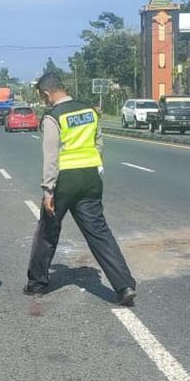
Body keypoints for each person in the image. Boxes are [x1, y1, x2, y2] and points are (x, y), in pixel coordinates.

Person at [25, 72, 136, 306]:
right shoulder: (88, 111)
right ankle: (124, 285)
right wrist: (95, 166)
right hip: (91, 176)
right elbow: (99, 142)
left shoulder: (53, 117)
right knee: (99, 231)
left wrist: (48, 190)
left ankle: (37, 283)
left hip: (64, 179)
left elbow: (51, 156)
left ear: (46, 93)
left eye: (42, 97)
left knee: (47, 230)